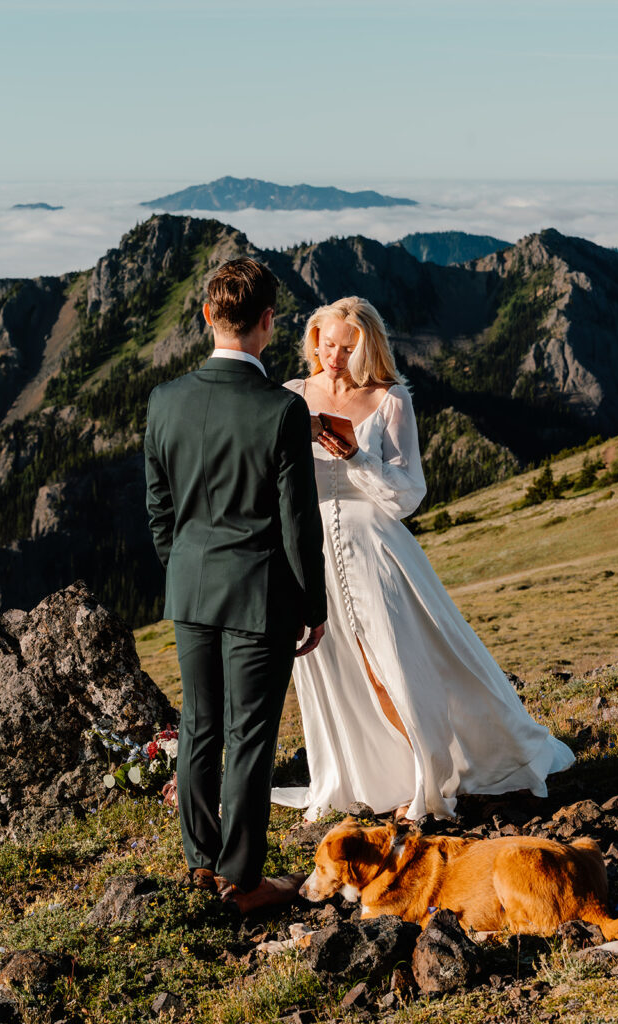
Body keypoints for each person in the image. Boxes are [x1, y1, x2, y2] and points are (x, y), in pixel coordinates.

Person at [271, 296, 574, 823]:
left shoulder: (391, 401)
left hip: (378, 552)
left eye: (347, 346)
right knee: (337, 667)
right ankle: (366, 776)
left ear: (366, 346)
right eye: (326, 343)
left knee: (399, 664)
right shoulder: (290, 397)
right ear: (312, 340)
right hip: (310, 551)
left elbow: (410, 494)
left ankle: (429, 774)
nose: (334, 355)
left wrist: (356, 457)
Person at [144, 258, 327, 908]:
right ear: (268, 323)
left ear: (206, 317)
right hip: (260, 594)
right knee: (251, 734)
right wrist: (313, 606)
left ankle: (201, 860)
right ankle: (242, 879)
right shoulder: (281, 410)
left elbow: (159, 508)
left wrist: (184, 567)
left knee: (199, 725)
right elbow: (298, 524)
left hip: (192, 588)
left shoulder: (164, 402)